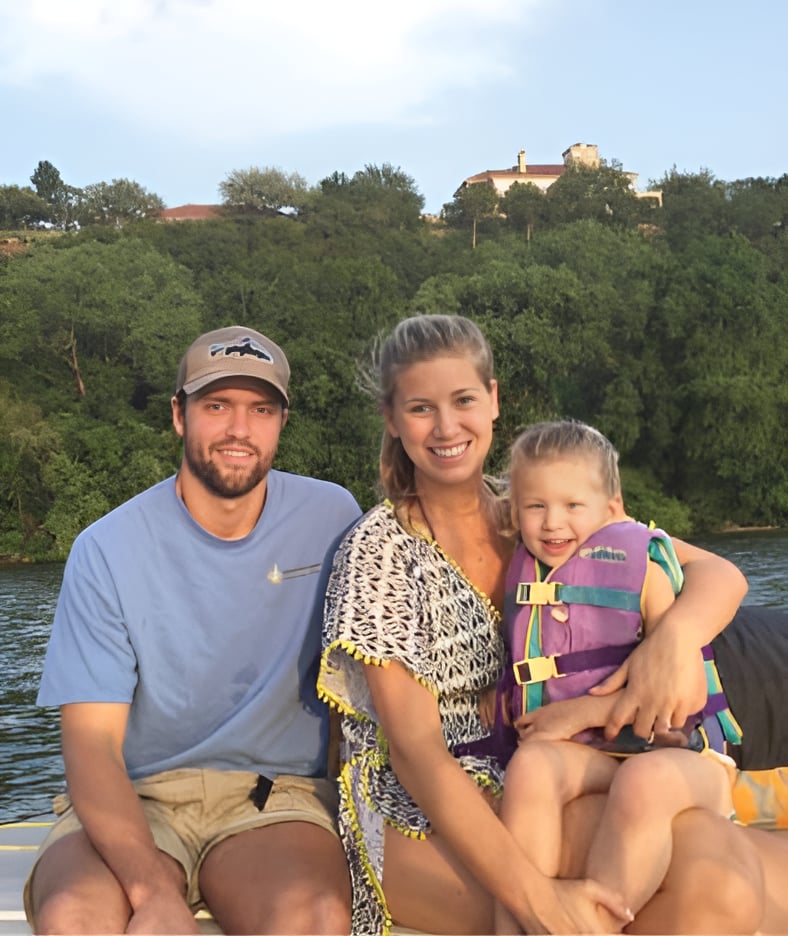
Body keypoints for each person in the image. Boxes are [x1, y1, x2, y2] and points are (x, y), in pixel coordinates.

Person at [317, 313, 761, 936]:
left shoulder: (540, 510)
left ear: (493, 400)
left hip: (552, 761)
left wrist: (674, 640)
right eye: (420, 409)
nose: (446, 427)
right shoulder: (378, 552)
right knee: (712, 876)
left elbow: (717, 573)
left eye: (463, 400)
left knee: (717, 870)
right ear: (392, 419)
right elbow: (416, 756)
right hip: (420, 805)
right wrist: (538, 903)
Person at [25, 326, 361, 935]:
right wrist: (154, 893)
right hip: (135, 795)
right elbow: (92, 743)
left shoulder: (333, 517)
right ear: (179, 415)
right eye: (217, 406)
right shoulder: (106, 548)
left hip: (274, 798)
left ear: (282, 422)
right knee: (74, 917)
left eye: (261, 410)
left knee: (314, 919)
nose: (240, 429)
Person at [493, 419, 740, 933]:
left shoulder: (642, 570)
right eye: (536, 506)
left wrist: (584, 711)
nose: (552, 523)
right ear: (515, 511)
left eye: (572, 505)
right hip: (599, 755)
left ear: (612, 509)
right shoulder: (526, 572)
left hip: (683, 758)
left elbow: (688, 692)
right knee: (532, 765)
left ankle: (593, 925)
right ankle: (519, 921)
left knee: (643, 781)